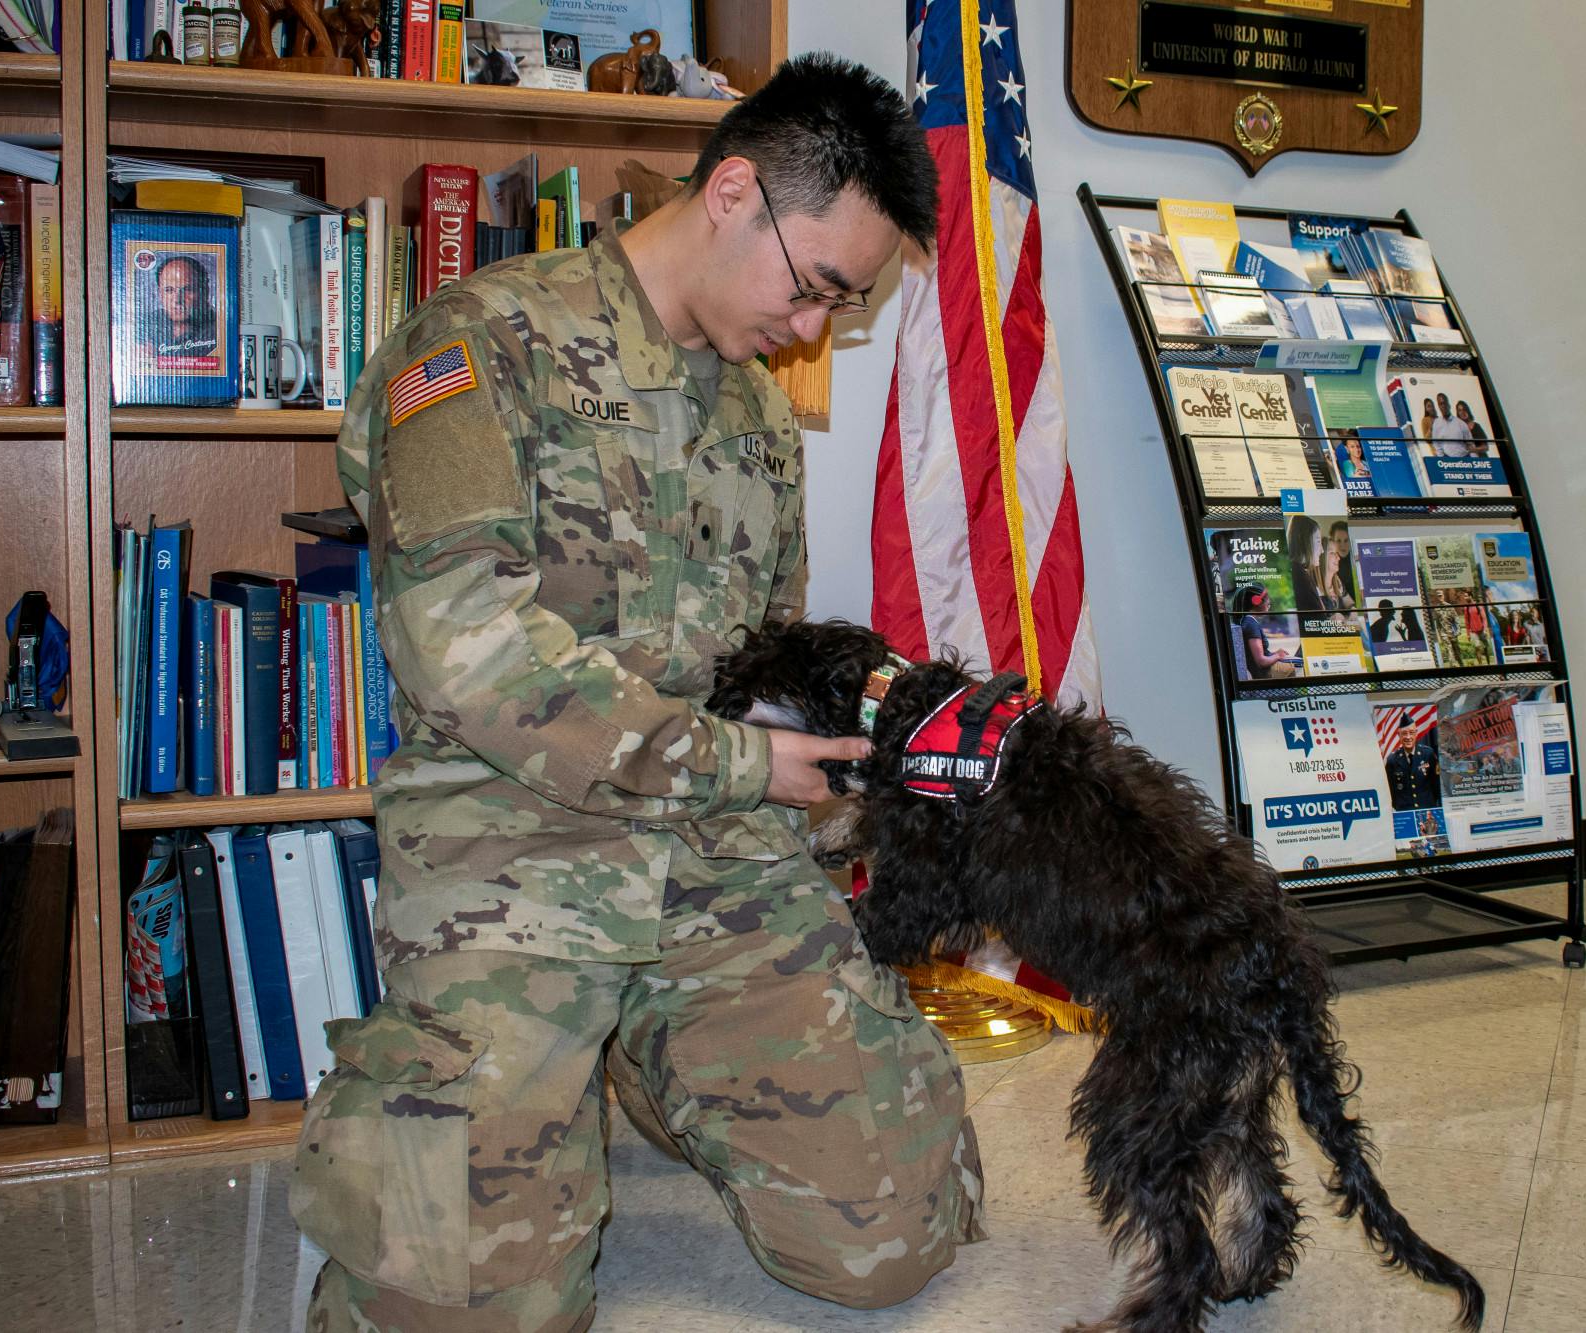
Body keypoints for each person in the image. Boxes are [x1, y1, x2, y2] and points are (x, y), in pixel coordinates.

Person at [297, 55, 984, 1333]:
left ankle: (650, 1059)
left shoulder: (757, 420)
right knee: (457, 1310)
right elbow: (465, 649)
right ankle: (533, 1064)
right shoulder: (476, 344)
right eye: (817, 287)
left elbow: (764, 658)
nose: (813, 331)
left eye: (847, 306)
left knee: (892, 1235)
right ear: (734, 191)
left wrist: (864, 726)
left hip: (718, 857)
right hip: (516, 852)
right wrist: (733, 764)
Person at [140, 254, 219, 361]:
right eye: (169, 290)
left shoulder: (219, 331)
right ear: (160, 294)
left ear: (204, 291)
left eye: (187, 289)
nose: (177, 300)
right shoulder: (147, 322)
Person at [1232, 585, 1299, 678]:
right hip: (1265, 672)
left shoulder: (1248, 621)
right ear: (1257, 602)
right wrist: (1278, 656)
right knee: (1298, 668)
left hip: (1263, 670)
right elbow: (1261, 662)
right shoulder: (1251, 624)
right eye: (1267, 601)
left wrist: (1274, 654)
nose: (1269, 604)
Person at [1384, 718, 1440, 811]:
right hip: (1405, 813)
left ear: (1416, 733)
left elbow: (1436, 785)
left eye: (1411, 732)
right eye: (1404, 733)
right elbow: (1391, 791)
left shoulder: (1428, 754)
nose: (1408, 737)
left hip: (1427, 810)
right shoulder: (1392, 760)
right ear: (1399, 735)